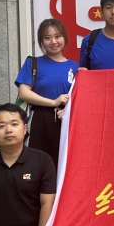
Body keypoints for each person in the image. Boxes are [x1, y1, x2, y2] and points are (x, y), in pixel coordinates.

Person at [15, 18, 78, 169]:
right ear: (41, 41)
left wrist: (68, 110)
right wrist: (53, 102)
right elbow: (24, 93)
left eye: (57, 36)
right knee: (37, 165)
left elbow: (80, 97)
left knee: (64, 165)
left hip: (66, 121)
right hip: (39, 120)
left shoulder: (75, 67)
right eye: (47, 38)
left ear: (64, 38)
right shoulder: (33, 63)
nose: (53, 42)